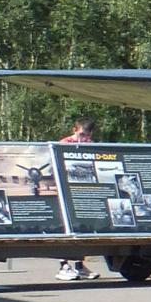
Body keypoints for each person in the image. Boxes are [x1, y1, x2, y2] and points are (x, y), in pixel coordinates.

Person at [56, 117, 98, 281]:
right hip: (66, 193)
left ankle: (80, 266)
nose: (84, 139)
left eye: (87, 135)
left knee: (82, 229)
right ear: (75, 130)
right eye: (81, 134)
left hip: (82, 192)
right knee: (66, 230)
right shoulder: (63, 144)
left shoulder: (91, 146)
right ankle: (63, 265)